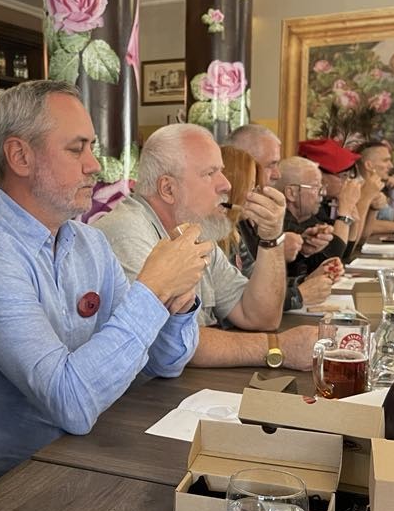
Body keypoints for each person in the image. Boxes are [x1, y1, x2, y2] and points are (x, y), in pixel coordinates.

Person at [0, 81, 209, 476]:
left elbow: (163, 363)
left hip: (85, 458)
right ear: (20, 156)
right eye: (76, 149)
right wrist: (153, 291)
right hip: (10, 484)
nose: (94, 164)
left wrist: (177, 300)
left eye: (91, 147)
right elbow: (71, 403)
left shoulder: (89, 242)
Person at [94, 124, 318, 370]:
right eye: (210, 173)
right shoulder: (129, 234)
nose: (226, 184)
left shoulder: (193, 229)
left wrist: (271, 239)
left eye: (221, 171)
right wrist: (277, 348)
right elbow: (166, 344)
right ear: (168, 188)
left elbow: (259, 316)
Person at [217, 146, 339, 311]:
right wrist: (298, 295)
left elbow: (253, 283)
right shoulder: (220, 233)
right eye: (252, 188)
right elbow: (241, 303)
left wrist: (304, 282)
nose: (276, 175)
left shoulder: (236, 229)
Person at [224, 124, 334, 273]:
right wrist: (274, 252)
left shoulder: (253, 211)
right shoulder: (223, 218)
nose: (277, 175)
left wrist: (301, 250)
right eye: (271, 165)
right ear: (244, 165)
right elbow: (242, 283)